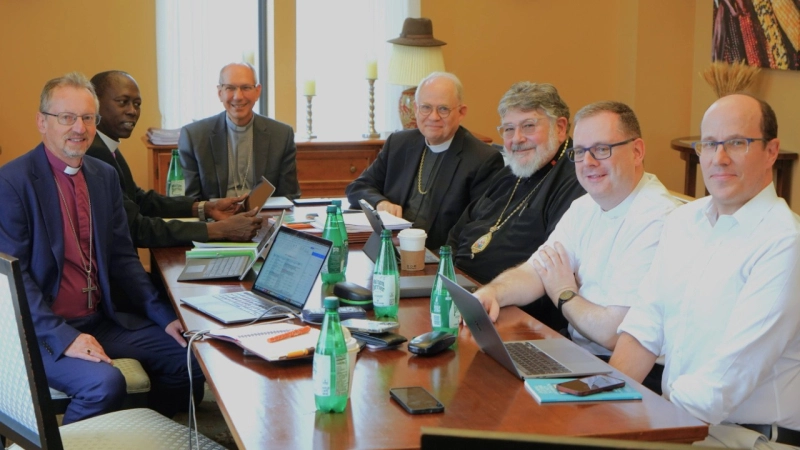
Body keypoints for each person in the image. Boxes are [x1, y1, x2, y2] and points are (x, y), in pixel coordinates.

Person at [0, 72, 203, 424]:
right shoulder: (12, 182)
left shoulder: (102, 176)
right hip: (42, 329)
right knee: (104, 385)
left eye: (87, 118)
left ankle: (135, 432)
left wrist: (164, 316)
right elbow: (17, 282)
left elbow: (124, 258)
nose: (78, 128)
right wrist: (65, 339)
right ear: (42, 122)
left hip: (101, 318)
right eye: (66, 117)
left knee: (191, 360)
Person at [610, 94, 800, 448]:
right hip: (684, 424)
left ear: (771, 151)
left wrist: (644, 429)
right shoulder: (684, 221)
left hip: (747, 438)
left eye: (737, 143)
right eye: (710, 144)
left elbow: (728, 377)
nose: (719, 158)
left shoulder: (785, 243)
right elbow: (645, 325)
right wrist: (599, 403)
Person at [474, 101, 679, 392]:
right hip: (580, 354)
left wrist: (563, 293)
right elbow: (535, 271)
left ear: (637, 151)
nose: (588, 163)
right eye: (580, 152)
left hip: (634, 377)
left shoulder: (657, 219)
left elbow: (612, 334)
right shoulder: (585, 206)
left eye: (601, 149)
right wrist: (493, 293)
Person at [446, 82, 585, 328]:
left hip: (518, 317)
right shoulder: (513, 170)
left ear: (560, 127)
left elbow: (549, 271)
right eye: (508, 129)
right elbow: (460, 231)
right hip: (466, 294)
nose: (517, 139)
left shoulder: (577, 179)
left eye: (529, 126)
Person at [87, 70, 263, 248]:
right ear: (95, 104)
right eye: (123, 102)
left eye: (137, 104)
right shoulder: (95, 152)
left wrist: (207, 208)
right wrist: (218, 230)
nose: (132, 111)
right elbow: (136, 228)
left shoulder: (106, 146)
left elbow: (140, 200)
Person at [346, 72, 504, 250]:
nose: (433, 117)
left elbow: (478, 229)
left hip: (438, 257)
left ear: (461, 112)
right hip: (388, 249)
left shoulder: (483, 159)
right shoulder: (399, 143)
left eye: (443, 109)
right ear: (415, 108)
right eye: (426, 107)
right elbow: (357, 188)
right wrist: (380, 203)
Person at [179, 62, 301, 201]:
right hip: (214, 219)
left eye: (246, 88)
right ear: (220, 93)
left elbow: (289, 196)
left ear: (257, 91)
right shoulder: (194, 136)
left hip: (264, 217)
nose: (238, 96)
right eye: (230, 88)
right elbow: (189, 200)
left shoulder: (281, 135)